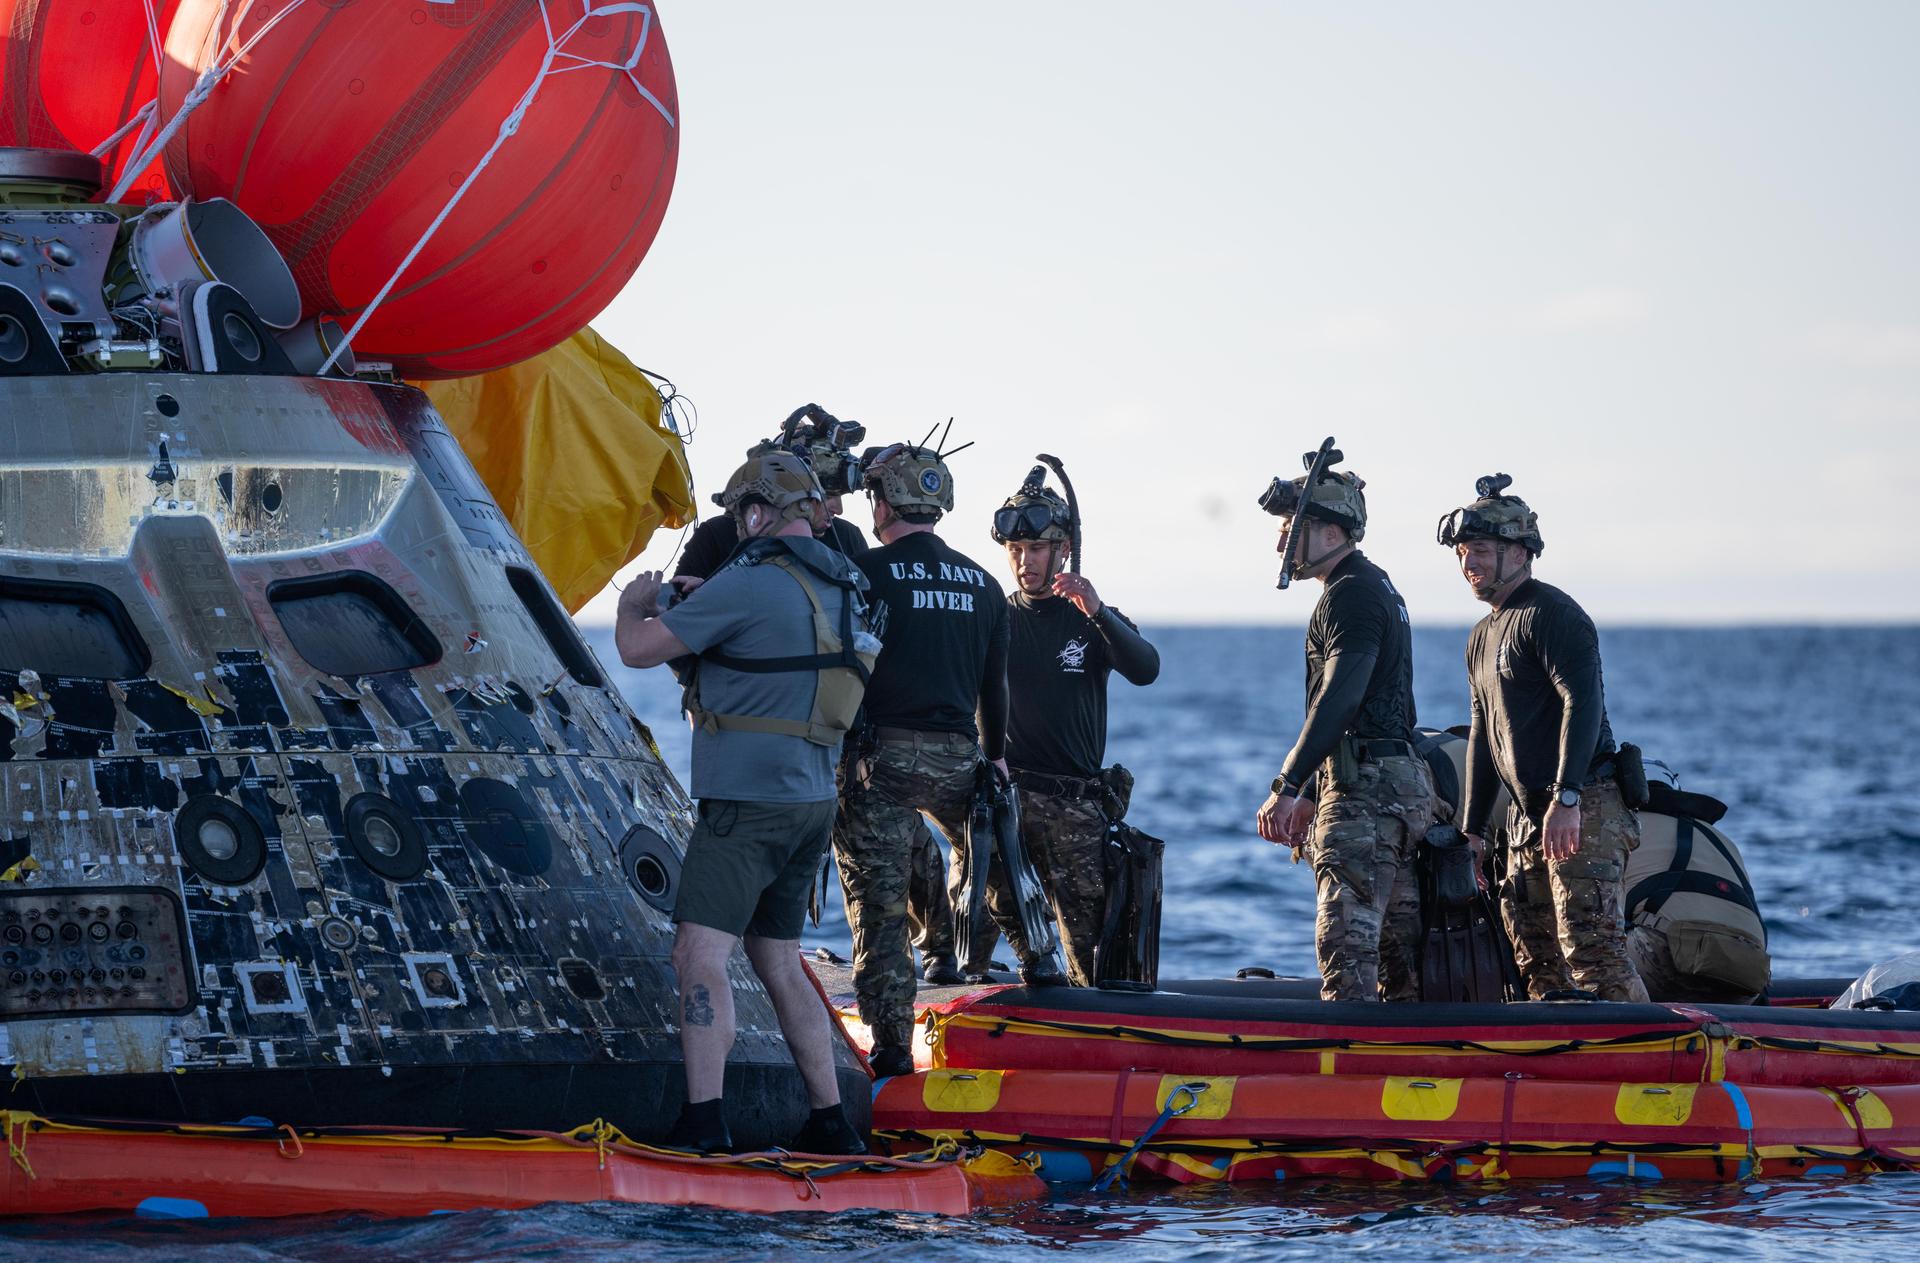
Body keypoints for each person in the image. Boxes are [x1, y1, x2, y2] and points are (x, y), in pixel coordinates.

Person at [614, 449, 869, 1155]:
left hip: (745, 804)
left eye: (743, 512)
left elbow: (639, 648)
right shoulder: (843, 581)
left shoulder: (751, 580)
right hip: (813, 800)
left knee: (698, 953)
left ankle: (704, 1123)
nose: (739, 524)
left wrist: (633, 603)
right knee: (779, 959)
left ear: (759, 511)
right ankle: (831, 1122)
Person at [836, 442, 1013, 1076]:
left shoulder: (867, 572)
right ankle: (1038, 982)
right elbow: (996, 689)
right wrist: (994, 760)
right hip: (962, 757)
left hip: (879, 761)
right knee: (1002, 870)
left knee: (878, 913)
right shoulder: (986, 584)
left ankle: (889, 1056)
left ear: (882, 503)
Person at [1439, 474, 1649, 1002]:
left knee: (1591, 951)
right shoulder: (1482, 636)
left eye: (1481, 550)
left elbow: (1584, 704)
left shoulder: (1553, 614)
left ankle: (1651, 1064)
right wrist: (1473, 833)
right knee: (1535, 960)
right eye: (1464, 552)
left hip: (1583, 806)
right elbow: (1486, 733)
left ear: (1521, 553)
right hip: (1524, 819)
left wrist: (1568, 797)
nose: (1470, 563)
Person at [1253, 451, 1432, 1003]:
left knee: (1348, 953)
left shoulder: (1350, 594)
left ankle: (1349, 1075)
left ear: (1332, 532)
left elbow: (1341, 697)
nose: (1281, 540)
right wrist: (1311, 788)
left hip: (1367, 796)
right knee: (1398, 957)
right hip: (1397, 787)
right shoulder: (1375, 586)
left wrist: (1287, 785)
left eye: (1293, 527)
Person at [991, 466, 1160, 984]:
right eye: (1016, 550)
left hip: (1075, 812)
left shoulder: (1088, 617)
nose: (1025, 562)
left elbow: (1146, 669)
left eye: (1036, 550)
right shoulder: (995, 616)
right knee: (982, 926)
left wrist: (1097, 610)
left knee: (1091, 955)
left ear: (1062, 548)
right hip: (1005, 803)